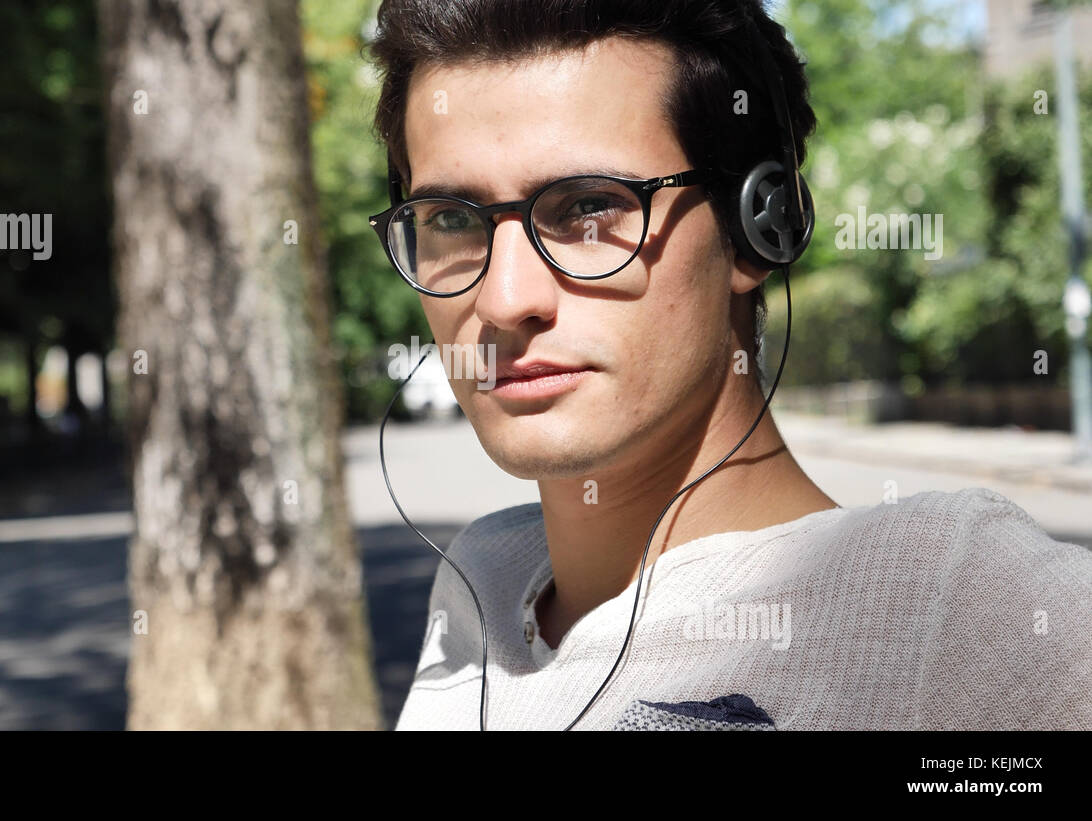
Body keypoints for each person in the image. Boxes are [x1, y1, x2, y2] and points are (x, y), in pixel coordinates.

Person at [364, 0, 1092, 730]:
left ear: (756, 230)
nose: (504, 299)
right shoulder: (478, 583)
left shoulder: (960, 602)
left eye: (588, 208)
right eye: (452, 218)